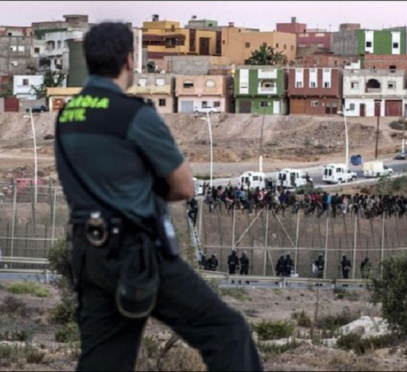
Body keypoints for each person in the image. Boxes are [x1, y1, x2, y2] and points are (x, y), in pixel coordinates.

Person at [54, 22, 261, 371]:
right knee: (227, 333)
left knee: (104, 360)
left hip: (89, 254)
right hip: (137, 252)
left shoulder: (66, 116)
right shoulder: (134, 113)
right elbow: (183, 186)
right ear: (130, 60)